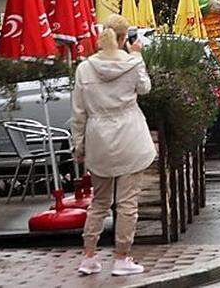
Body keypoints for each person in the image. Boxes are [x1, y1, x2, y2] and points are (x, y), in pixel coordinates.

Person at [73, 14, 156, 277]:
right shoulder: (131, 64)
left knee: (99, 202)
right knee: (127, 202)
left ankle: (88, 257)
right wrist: (138, 56)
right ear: (123, 38)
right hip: (129, 135)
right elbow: (145, 88)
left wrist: (79, 145)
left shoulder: (84, 69)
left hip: (99, 137)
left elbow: (78, 112)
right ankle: (122, 257)